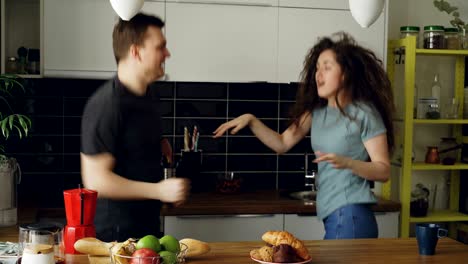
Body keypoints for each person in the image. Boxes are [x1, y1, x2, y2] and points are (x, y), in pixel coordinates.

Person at [213, 32, 395, 239]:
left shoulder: (364, 114)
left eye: (327, 68)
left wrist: (348, 163)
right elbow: (282, 143)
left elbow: (383, 171)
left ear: (346, 74)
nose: (319, 74)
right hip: (333, 216)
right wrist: (251, 120)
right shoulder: (316, 113)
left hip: (352, 215)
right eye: (317, 68)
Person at [80, 13, 190, 242]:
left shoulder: (147, 94)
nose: (167, 54)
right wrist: (159, 191)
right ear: (136, 52)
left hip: (146, 229)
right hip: (115, 238)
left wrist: (160, 142)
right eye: (161, 47)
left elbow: (134, 140)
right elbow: (96, 179)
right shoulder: (106, 105)